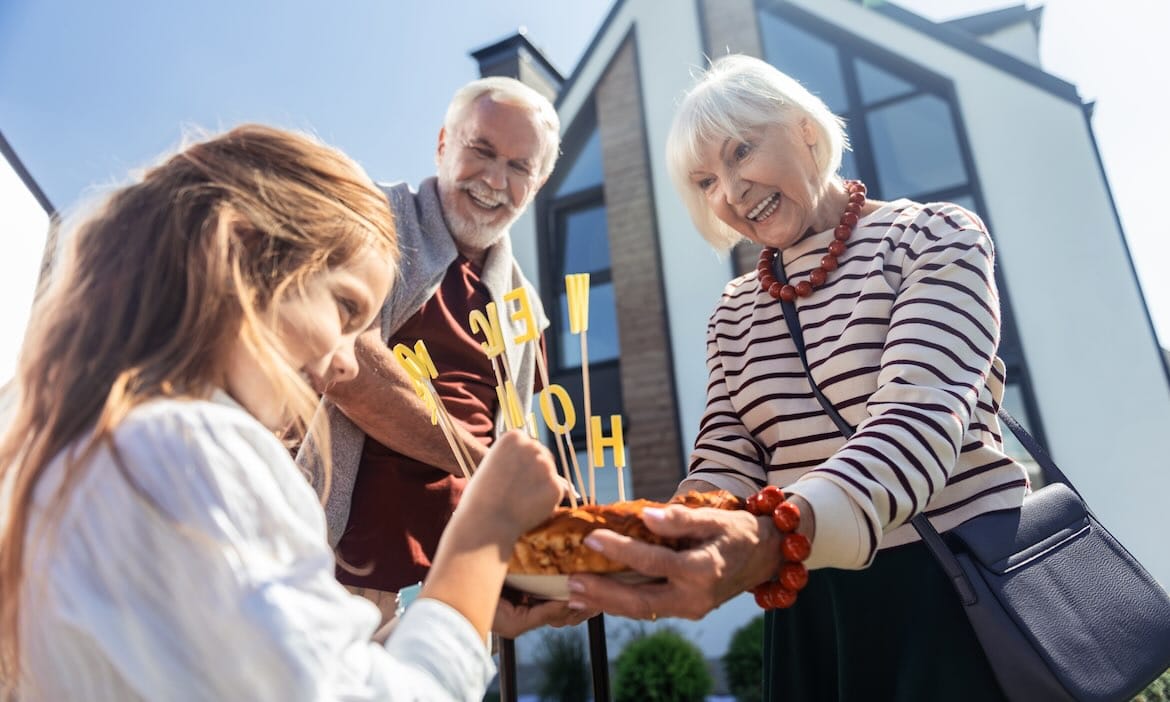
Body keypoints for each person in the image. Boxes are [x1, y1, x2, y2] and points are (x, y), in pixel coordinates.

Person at [0, 124, 566, 701]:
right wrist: (480, 543)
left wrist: (461, 607)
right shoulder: (191, 449)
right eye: (345, 308)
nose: (348, 363)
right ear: (240, 251)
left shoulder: (90, 444)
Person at [564, 55, 1028, 700]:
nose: (731, 191)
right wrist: (660, 540)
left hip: (953, 584)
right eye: (706, 181)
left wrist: (772, 535)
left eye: (741, 151)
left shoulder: (932, 235)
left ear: (806, 130)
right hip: (807, 596)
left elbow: (918, 417)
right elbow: (726, 459)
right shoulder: (733, 311)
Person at [299, 77, 591, 634]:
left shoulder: (525, 306)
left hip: (462, 588)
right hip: (340, 577)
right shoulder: (370, 219)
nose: (495, 180)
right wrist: (492, 472)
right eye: (481, 150)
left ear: (538, 183)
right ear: (442, 144)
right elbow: (344, 362)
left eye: (519, 167)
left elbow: (515, 429)